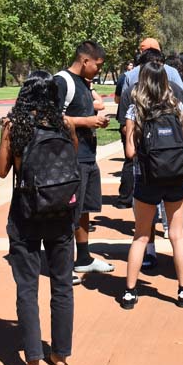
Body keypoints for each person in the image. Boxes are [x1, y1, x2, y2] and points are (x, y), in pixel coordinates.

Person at [0, 71, 77, 365]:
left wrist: (8, 137)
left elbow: (3, 171)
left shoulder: (16, 126)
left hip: (25, 212)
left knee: (27, 287)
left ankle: (32, 360)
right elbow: (72, 161)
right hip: (60, 213)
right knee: (62, 285)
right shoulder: (63, 124)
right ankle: (59, 354)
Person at [120, 61, 183, 310]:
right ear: (165, 80)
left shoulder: (135, 110)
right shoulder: (178, 107)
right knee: (176, 235)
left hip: (147, 178)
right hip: (175, 177)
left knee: (141, 235)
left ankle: (130, 292)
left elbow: (130, 151)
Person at [54, 40, 115, 277]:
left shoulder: (84, 83)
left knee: (84, 209)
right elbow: (51, 118)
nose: (99, 69)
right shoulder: (62, 81)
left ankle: (84, 257)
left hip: (88, 156)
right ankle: (63, 264)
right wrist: (86, 122)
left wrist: (94, 120)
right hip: (70, 158)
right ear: (85, 60)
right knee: (69, 211)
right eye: (97, 65)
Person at [114, 39, 183, 208]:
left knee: (143, 229)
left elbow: (129, 148)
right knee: (178, 228)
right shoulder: (176, 93)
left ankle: (125, 200)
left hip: (145, 167)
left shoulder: (130, 91)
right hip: (175, 164)